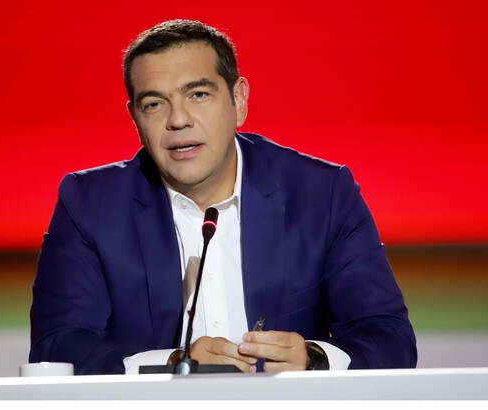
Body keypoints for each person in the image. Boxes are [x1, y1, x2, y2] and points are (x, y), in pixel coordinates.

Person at [29, 19, 417, 375]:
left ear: (239, 100)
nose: (178, 119)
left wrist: (312, 359)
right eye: (154, 104)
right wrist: (171, 366)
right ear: (135, 118)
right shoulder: (88, 204)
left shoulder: (322, 194)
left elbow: (389, 339)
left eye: (198, 94)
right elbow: (56, 347)